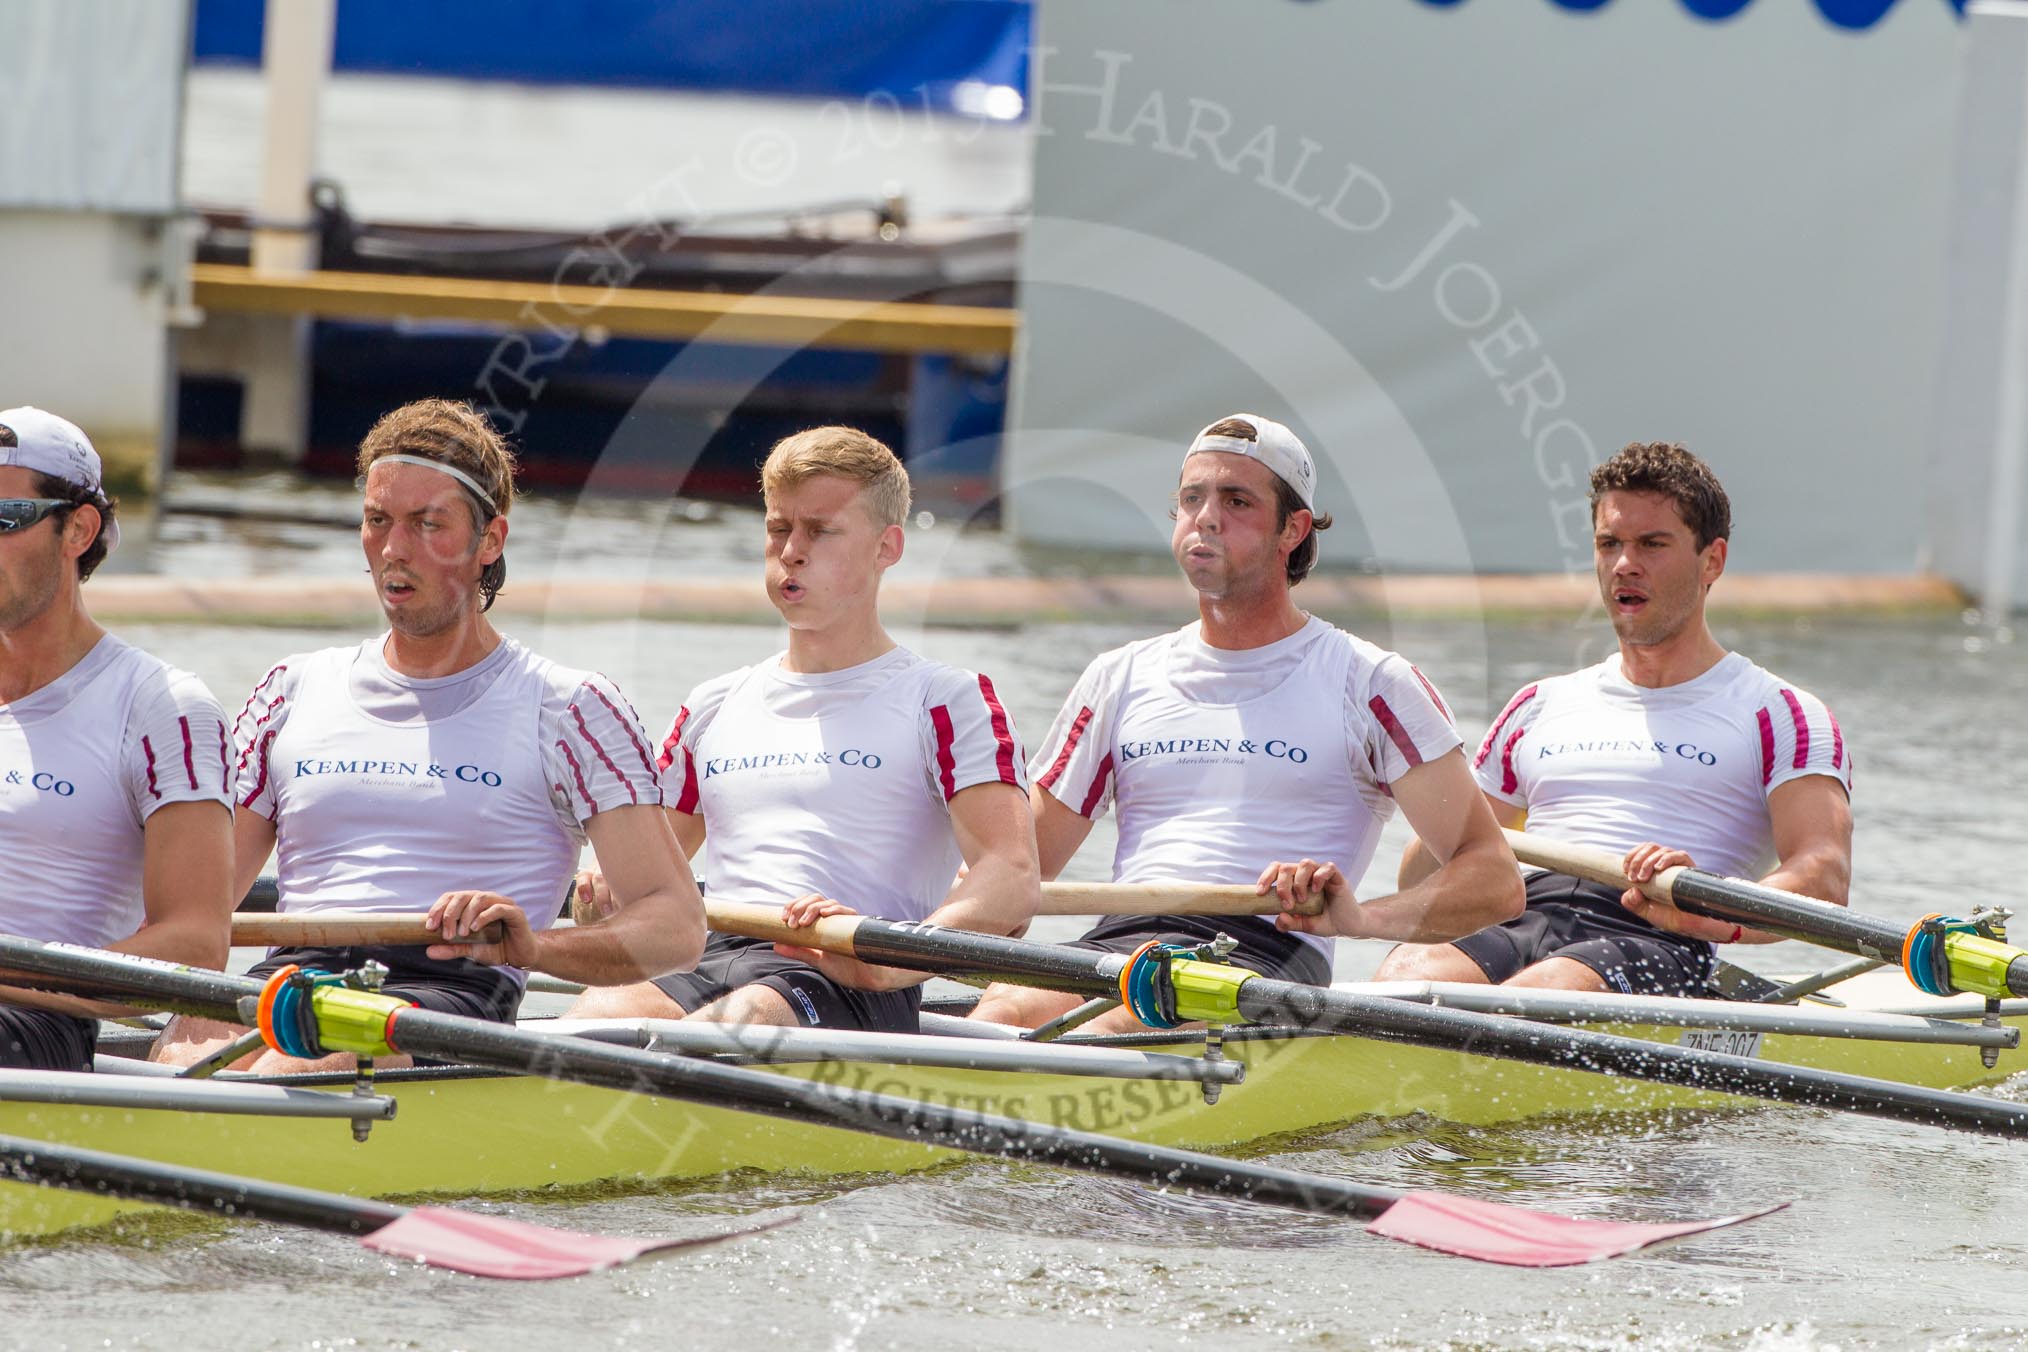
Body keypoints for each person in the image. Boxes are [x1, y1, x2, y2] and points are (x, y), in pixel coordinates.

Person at [152, 399, 703, 1072]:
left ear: (490, 541)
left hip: (450, 990)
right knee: (180, 1050)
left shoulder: (569, 707)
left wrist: (537, 948)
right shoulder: (290, 689)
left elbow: (675, 926)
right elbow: (196, 908)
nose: (393, 549)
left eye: (427, 524)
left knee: (291, 1066)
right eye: (378, 520)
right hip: (291, 981)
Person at [968, 415, 1524, 1033]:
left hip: (1261, 957)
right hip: (1119, 943)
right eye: (1191, 498)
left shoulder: (1372, 684)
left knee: (1100, 1035)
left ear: (1294, 528)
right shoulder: (1118, 676)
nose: (1206, 517)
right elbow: (1019, 869)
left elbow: (1495, 880)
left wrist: (1360, 919)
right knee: (999, 1011)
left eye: (1236, 501)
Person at [566, 425, 1039, 1031]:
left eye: (820, 530)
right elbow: (649, 878)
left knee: (742, 1024)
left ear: (886, 547)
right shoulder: (711, 706)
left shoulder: (947, 701)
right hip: (711, 955)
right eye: (778, 528)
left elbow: (1012, 875)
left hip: (850, 975)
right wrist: (604, 896)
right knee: (591, 1020)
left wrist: (887, 958)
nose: (791, 550)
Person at [1387, 441, 1853, 994]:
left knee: (1542, 993)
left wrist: (1708, 906)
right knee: (1403, 979)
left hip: (1663, 933)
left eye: (1652, 544)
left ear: (1713, 561)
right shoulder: (1537, 705)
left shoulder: (1782, 714)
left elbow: (1823, 875)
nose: (1625, 564)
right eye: (1610, 544)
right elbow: (1425, 877)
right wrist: (1426, 800)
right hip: (1524, 914)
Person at [0, 406, 234, 1070]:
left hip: (41, 1024)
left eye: (3, 521)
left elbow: (197, 944)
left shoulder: (163, 707)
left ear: (78, 529)